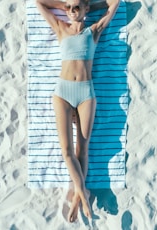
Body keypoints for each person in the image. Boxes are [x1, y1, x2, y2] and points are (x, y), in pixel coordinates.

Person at [35, 0, 120, 222]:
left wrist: (89, 4)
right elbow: (40, 2)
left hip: (85, 94)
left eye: (77, 8)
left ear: (85, 10)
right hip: (63, 92)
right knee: (66, 150)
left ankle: (77, 197)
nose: (72, 11)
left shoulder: (94, 31)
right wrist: (65, 4)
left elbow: (114, 2)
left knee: (82, 149)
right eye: (69, 8)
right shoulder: (60, 27)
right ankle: (82, 193)